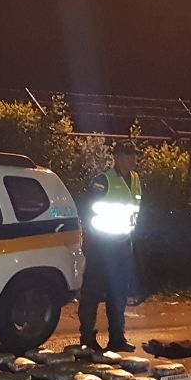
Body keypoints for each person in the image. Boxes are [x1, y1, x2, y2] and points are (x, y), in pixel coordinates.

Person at [78, 140, 142, 353]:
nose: (132, 159)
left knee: (118, 292)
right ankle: (87, 338)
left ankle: (117, 338)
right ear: (117, 157)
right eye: (128, 155)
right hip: (101, 245)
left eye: (134, 154)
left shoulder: (135, 179)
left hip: (123, 243)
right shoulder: (104, 180)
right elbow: (88, 211)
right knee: (92, 292)